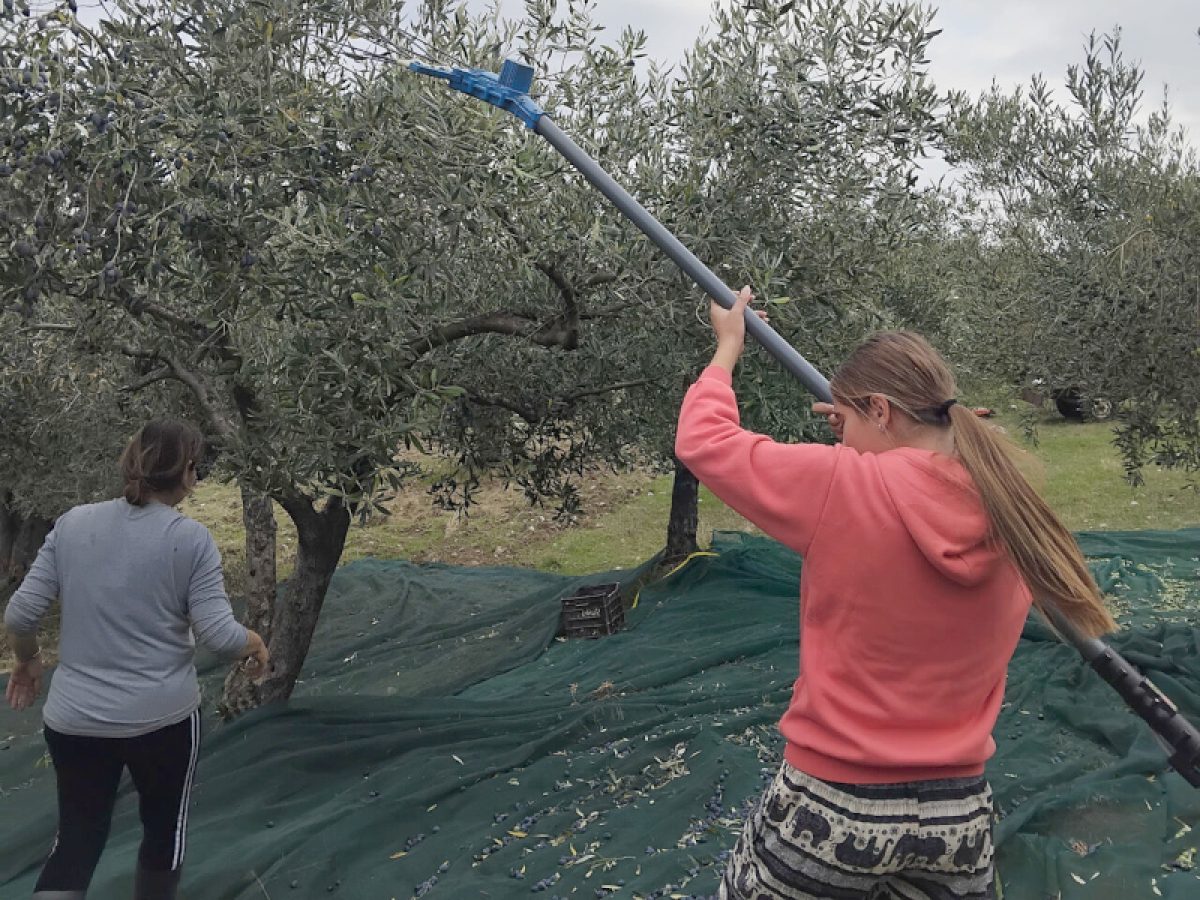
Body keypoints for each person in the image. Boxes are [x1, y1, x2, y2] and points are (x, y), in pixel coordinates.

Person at [675, 288, 1116, 900]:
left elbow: (705, 442)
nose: (842, 442)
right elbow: (912, 480)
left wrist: (727, 346)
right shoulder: (1013, 509)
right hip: (957, 820)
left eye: (849, 422)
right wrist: (858, 438)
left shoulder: (840, 485)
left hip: (833, 809)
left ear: (880, 410)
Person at [4, 420, 270, 900]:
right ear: (188, 474)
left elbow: (20, 614)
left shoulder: (73, 524)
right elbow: (219, 636)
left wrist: (29, 660)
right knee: (163, 833)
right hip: (161, 722)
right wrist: (253, 642)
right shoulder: (190, 539)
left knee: (77, 841)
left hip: (75, 721)